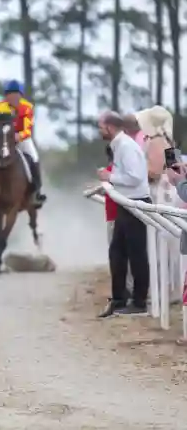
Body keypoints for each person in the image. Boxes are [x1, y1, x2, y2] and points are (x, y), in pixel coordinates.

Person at [96, 111, 151, 317]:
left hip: (136, 203)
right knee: (117, 252)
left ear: (110, 127)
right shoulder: (119, 145)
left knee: (136, 254)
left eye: (101, 127)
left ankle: (139, 302)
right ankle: (119, 299)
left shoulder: (126, 146)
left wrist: (110, 177)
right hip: (125, 203)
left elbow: (136, 177)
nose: (99, 131)